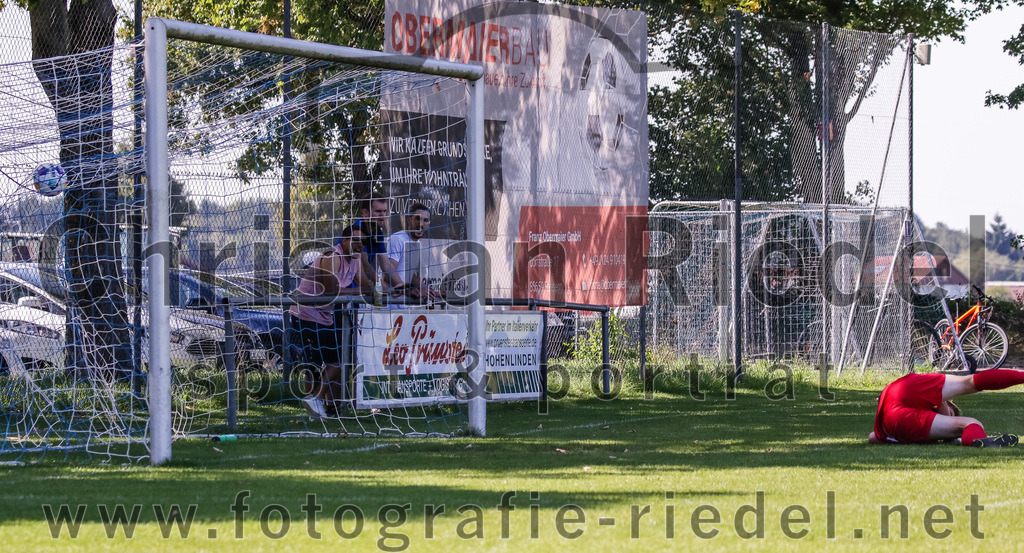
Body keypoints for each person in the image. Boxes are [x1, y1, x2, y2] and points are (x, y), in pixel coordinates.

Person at [291, 225, 372, 418]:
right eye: (355, 240)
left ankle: (316, 402)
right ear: (344, 241)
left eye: (363, 241)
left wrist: (377, 283)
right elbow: (331, 291)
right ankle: (314, 407)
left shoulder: (356, 259)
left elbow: (368, 285)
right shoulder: (332, 257)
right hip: (306, 313)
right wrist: (362, 291)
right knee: (314, 367)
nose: (360, 244)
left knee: (336, 360)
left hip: (324, 315)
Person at [868, 370, 1024, 447]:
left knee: (970, 384)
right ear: (946, 403)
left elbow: (873, 438)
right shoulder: (928, 407)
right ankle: (978, 440)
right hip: (906, 390)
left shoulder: (891, 428)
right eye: (951, 414)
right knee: (970, 420)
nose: (951, 418)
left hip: (896, 392)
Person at [386, 203, 441, 303]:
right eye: (417, 219)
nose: (421, 224)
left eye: (425, 220)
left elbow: (409, 274)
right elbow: (388, 274)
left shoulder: (416, 243)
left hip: (403, 307)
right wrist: (407, 290)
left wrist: (427, 289)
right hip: (389, 308)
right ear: (408, 219)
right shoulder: (397, 239)